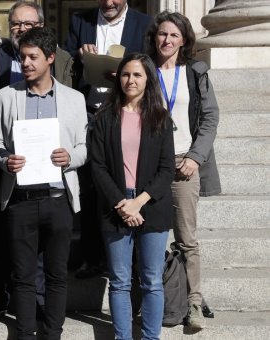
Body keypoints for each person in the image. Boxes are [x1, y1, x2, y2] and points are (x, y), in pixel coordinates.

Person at [0, 0, 73, 321]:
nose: (21, 30)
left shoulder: (64, 59)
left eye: (28, 25)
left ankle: (37, 300)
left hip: (45, 165)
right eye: (16, 25)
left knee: (40, 241)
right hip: (4, 161)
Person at [0, 27, 87, 339]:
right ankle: (24, 333)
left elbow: (84, 148)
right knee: (22, 275)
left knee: (57, 274)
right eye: (22, 57)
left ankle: (53, 334)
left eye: (33, 57)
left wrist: (69, 158)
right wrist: (6, 161)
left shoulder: (74, 99)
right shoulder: (6, 96)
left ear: (50, 58)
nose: (26, 63)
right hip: (20, 199)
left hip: (58, 197)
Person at [90, 53, 175, 340]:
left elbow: (167, 168)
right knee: (120, 281)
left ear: (148, 78)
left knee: (151, 280)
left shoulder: (160, 118)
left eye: (138, 75)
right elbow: (98, 165)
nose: (131, 80)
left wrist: (138, 201)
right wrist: (123, 202)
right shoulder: (104, 117)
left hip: (151, 203)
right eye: (126, 74)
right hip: (116, 204)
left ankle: (152, 337)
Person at [64, 0, 151, 280]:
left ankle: (136, 260)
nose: (109, 2)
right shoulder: (81, 21)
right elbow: (64, 61)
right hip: (90, 113)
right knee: (90, 186)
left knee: (127, 182)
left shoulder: (143, 23)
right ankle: (92, 258)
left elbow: (148, 66)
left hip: (127, 112)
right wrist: (79, 54)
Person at [146, 11, 221, 330]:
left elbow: (210, 117)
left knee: (186, 238)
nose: (167, 40)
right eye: (162, 34)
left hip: (183, 164)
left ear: (185, 40)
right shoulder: (143, 69)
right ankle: (159, 299)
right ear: (154, 37)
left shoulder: (195, 71)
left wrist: (195, 156)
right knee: (151, 237)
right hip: (149, 165)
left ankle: (192, 303)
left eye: (174, 35)